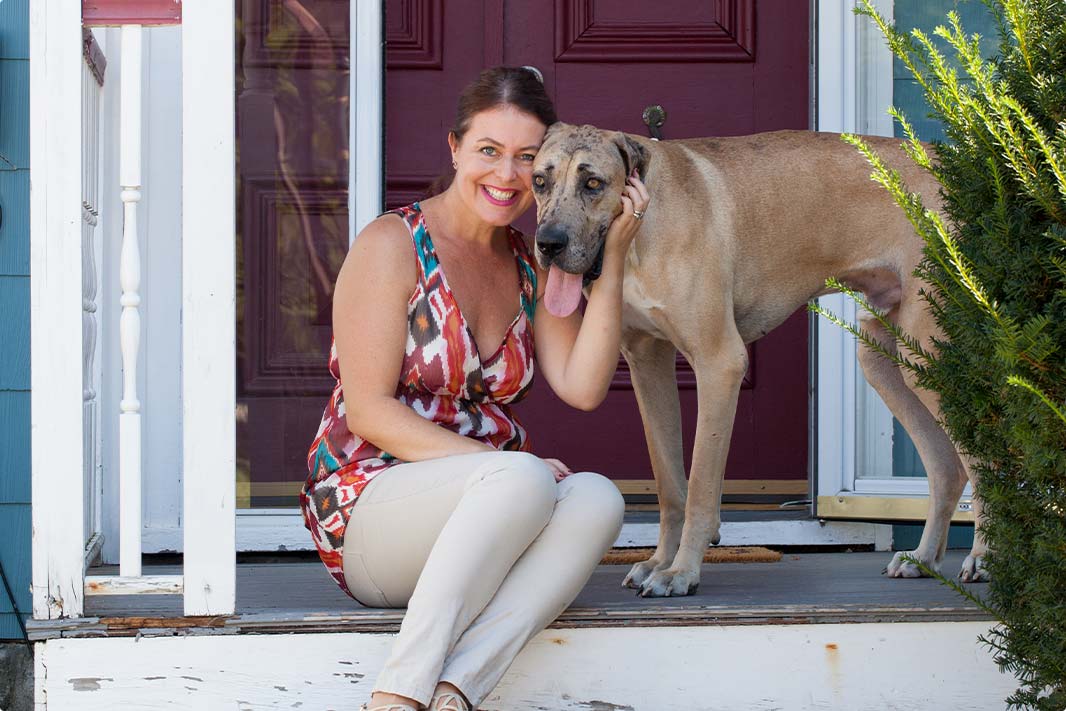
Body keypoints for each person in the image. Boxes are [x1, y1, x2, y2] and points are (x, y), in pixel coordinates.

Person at [301, 65, 650, 711]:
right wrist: (498, 466)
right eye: (489, 150)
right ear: (455, 148)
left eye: (527, 158)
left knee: (598, 497)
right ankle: (396, 696)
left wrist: (615, 252)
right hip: (367, 510)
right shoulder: (392, 242)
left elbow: (582, 387)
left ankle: (455, 690)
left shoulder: (527, 258)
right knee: (523, 477)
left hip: (487, 511)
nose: (508, 175)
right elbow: (370, 410)